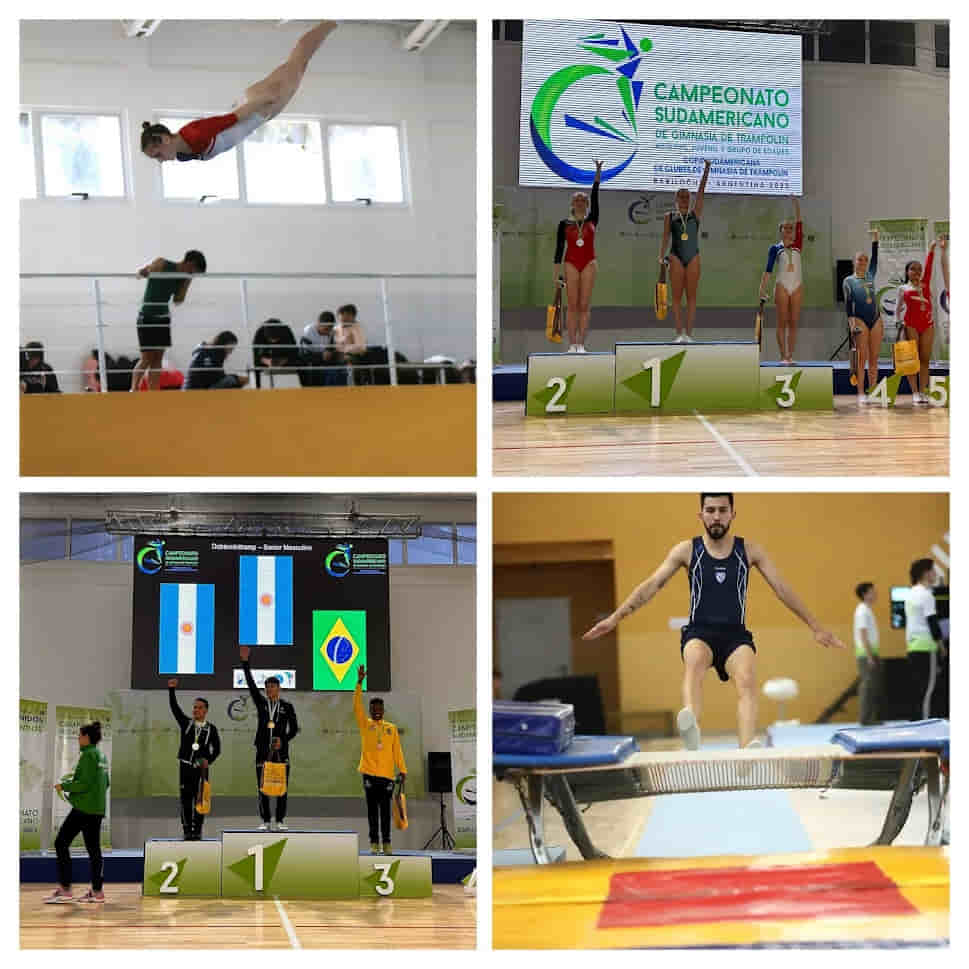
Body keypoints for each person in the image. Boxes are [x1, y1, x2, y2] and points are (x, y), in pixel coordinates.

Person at [583, 493, 845, 749]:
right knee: (694, 663)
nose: (716, 516)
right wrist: (616, 617)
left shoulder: (750, 550)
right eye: (710, 511)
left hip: (735, 636)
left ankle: (746, 746)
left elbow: (782, 589)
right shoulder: (687, 550)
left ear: (732, 513)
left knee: (746, 676)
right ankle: (692, 729)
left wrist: (816, 626)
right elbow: (652, 585)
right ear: (701, 515)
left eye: (722, 510)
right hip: (699, 632)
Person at [140, 22, 337, 163]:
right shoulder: (183, 154)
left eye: (157, 155)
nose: (160, 161)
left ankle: (331, 20)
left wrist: (267, 99)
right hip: (256, 114)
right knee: (299, 64)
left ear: (165, 139)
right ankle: (329, 23)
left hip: (257, 106)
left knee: (299, 60)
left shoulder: (196, 134)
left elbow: (235, 117)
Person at [45, 721, 110, 903]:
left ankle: (65, 889)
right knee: (94, 850)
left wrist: (63, 785)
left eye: (80, 735)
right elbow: (106, 783)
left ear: (87, 738)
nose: (78, 738)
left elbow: (84, 784)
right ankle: (97, 892)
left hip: (84, 809)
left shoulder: (88, 755)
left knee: (61, 843)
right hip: (97, 809)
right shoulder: (102, 756)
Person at [239, 646, 299, 830]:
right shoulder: (261, 703)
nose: (270, 689)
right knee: (262, 786)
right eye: (267, 687)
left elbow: (294, 729)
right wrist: (245, 663)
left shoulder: (287, 707)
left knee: (282, 786)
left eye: (273, 686)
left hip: (281, 751)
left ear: (279, 688)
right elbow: (250, 684)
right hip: (263, 751)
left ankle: (280, 821)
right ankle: (265, 821)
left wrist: (284, 740)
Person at [132, 250, 207, 391]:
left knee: (158, 358)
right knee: (147, 358)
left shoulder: (183, 277)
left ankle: (153, 394)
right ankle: (134, 389)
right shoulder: (163, 263)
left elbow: (178, 300)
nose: (193, 274)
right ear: (190, 264)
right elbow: (143, 272)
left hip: (163, 317)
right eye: (194, 271)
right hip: (147, 316)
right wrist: (146, 270)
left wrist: (187, 282)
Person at [354, 665, 407, 854]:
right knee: (371, 812)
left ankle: (386, 843)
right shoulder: (365, 725)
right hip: (369, 774)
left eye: (379, 709)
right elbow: (356, 706)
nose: (376, 711)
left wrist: (402, 770)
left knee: (385, 812)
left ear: (383, 710)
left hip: (387, 777)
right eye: (373, 709)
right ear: (369, 710)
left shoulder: (390, 729)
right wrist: (359, 683)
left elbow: (397, 751)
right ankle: (374, 844)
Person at [659, 159, 711, 343]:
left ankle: (689, 334)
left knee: (691, 297)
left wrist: (706, 170)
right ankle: (679, 333)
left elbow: (701, 192)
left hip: (693, 257)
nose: (684, 199)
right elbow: (666, 237)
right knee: (677, 296)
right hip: (675, 257)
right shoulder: (669, 216)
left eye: (686, 196)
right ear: (675, 199)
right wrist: (661, 256)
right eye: (681, 196)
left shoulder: (695, 214)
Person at [553, 160, 602, 353]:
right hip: (571, 263)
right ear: (572, 204)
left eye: (584, 199)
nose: (581, 201)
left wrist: (598, 173)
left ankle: (581, 344)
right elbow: (558, 250)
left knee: (584, 305)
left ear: (587, 204)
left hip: (589, 263)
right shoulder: (563, 224)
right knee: (572, 305)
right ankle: (571, 344)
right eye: (577, 199)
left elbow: (596, 194)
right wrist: (556, 275)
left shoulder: (593, 219)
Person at [167, 680, 221, 840]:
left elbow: (217, 750)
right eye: (194, 707)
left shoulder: (211, 729)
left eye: (199, 707)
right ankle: (186, 830)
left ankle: (197, 830)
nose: (196, 710)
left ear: (206, 710)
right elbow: (175, 709)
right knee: (185, 800)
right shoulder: (187, 724)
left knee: (200, 800)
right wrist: (171, 690)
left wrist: (208, 760)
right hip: (185, 768)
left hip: (201, 770)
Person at [759, 197, 803, 365]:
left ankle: (790, 356)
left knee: (793, 322)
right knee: (782, 322)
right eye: (785, 228)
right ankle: (783, 355)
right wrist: (762, 288)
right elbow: (768, 270)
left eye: (791, 228)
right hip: (782, 286)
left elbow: (800, 223)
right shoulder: (775, 248)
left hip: (797, 286)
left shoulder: (798, 244)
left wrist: (796, 204)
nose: (789, 230)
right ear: (781, 231)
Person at [895, 240, 937, 404]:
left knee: (925, 359)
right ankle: (914, 393)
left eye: (919, 269)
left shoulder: (925, 283)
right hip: (910, 325)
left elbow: (929, 266)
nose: (917, 271)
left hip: (927, 325)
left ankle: (923, 391)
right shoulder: (902, 289)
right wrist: (898, 323)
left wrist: (932, 249)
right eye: (913, 269)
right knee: (912, 360)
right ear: (907, 272)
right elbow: (897, 309)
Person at [843, 229, 882, 404]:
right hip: (859, 319)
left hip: (875, 319)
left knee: (874, 358)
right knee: (862, 357)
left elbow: (876, 259)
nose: (863, 262)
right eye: (860, 259)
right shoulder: (848, 281)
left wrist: (875, 240)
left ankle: (873, 390)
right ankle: (860, 393)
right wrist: (851, 323)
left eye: (865, 260)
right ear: (854, 262)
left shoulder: (871, 275)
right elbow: (848, 304)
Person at [905, 558, 946, 720]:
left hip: (913, 648)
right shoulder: (926, 594)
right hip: (926, 648)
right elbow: (933, 624)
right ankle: (925, 732)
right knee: (928, 692)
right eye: (933, 570)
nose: (935, 574)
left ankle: (915, 729)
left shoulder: (911, 593)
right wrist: (942, 646)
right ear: (925, 573)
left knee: (919, 691)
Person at [853, 583, 882, 725]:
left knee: (872, 686)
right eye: (872, 592)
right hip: (866, 654)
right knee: (867, 686)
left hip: (870, 652)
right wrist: (869, 655)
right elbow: (863, 634)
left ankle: (870, 718)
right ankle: (865, 719)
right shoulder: (862, 611)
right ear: (865, 594)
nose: (875, 594)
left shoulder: (867, 610)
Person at [252, 318, 299, 388]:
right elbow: (255, 354)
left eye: (276, 339)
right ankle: (257, 389)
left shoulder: (286, 330)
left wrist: (284, 360)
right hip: (267, 357)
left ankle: (305, 388)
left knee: (301, 362)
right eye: (271, 339)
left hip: (283, 356)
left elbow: (295, 351)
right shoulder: (260, 332)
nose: (273, 341)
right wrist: (265, 360)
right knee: (256, 366)